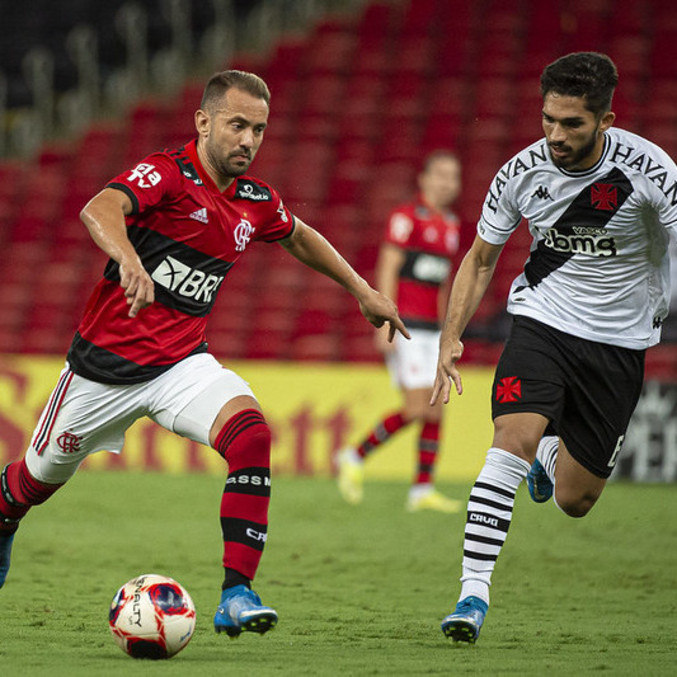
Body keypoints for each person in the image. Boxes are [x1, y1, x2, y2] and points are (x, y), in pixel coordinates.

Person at [0, 70, 409, 638]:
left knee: (252, 436)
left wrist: (363, 290)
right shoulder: (166, 175)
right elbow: (99, 208)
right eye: (237, 125)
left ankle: (236, 593)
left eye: (259, 130)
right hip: (101, 372)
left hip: (180, 366)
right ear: (203, 121)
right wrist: (129, 259)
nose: (248, 140)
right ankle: (4, 518)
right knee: (31, 483)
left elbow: (298, 234)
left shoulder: (254, 201)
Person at [431, 52, 677, 643]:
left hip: (619, 343)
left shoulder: (652, 172)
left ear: (606, 120)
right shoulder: (520, 173)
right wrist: (450, 337)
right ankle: (471, 595)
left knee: (575, 498)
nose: (555, 136)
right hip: (541, 323)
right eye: (548, 120)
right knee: (508, 441)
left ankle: (550, 460)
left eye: (572, 124)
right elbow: (481, 258)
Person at [337, 151, 463, 513]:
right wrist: (384, 320)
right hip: (404, 327)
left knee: (435, 408)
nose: (446, 182)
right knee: (416, 406)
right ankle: (353, 455)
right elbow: (388, 267)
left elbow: (443, 284)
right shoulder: (406, 218)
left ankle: (422, 490)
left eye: (452, 176)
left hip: (432, 331)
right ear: (423, 179)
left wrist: (447, 331)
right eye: (440, 174)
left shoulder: (451, 225)